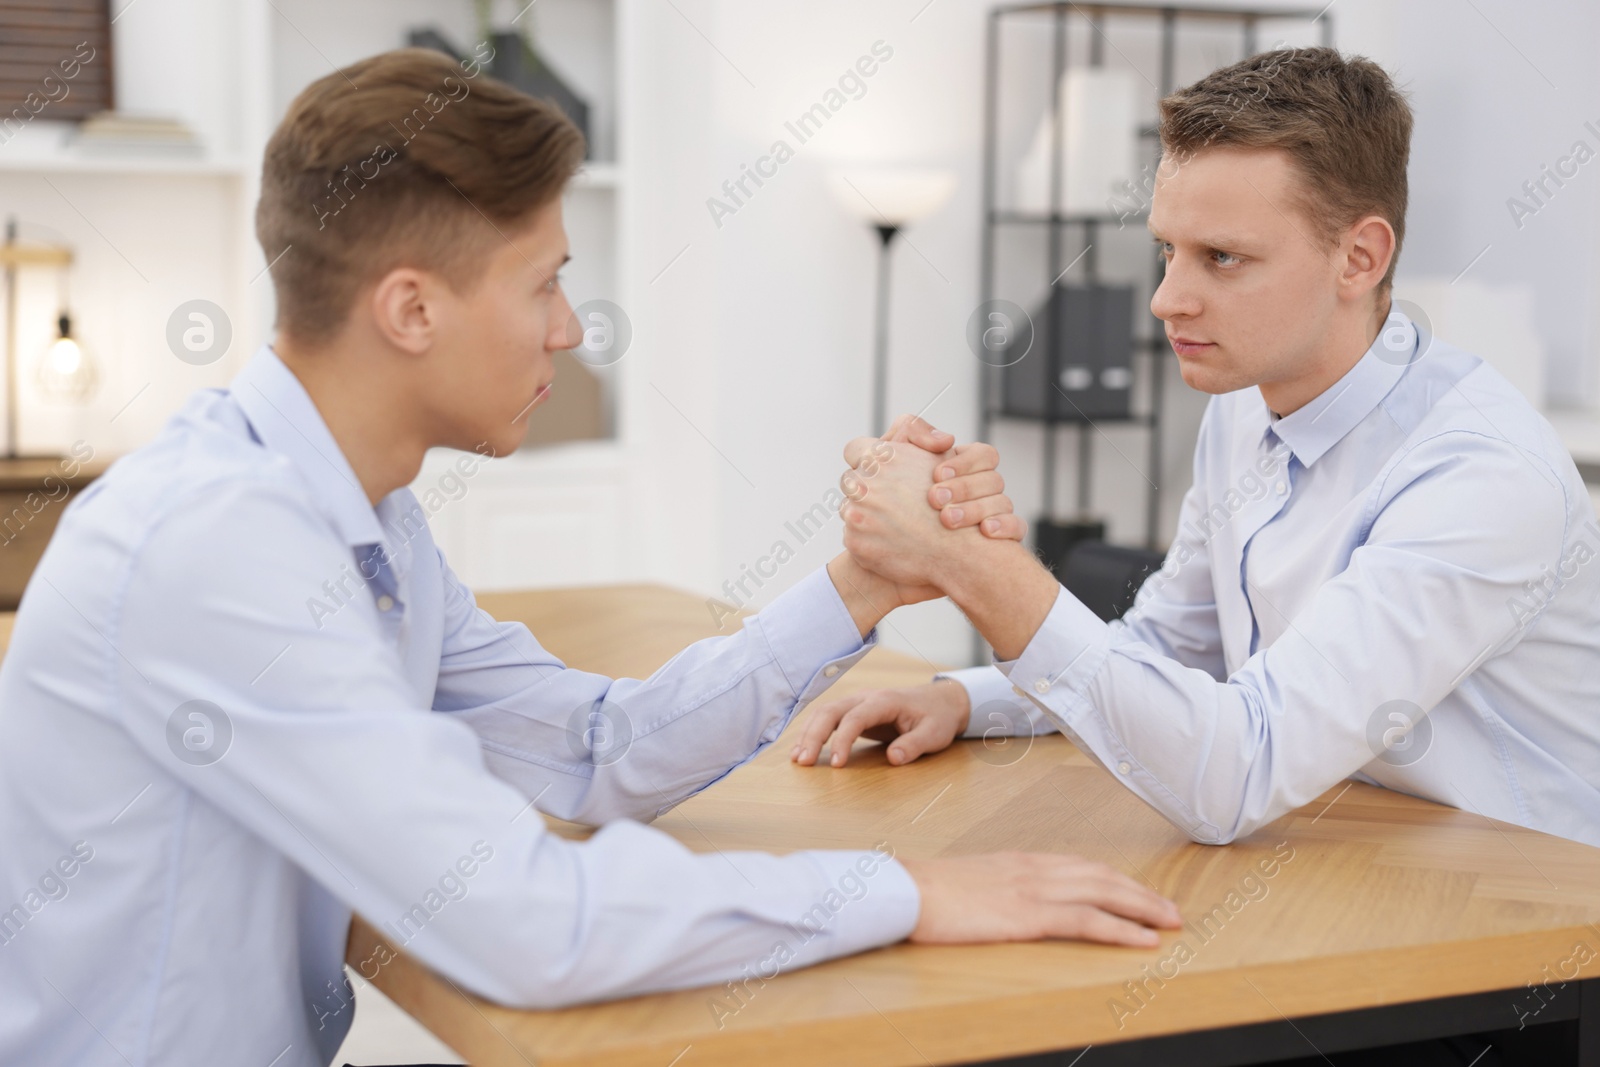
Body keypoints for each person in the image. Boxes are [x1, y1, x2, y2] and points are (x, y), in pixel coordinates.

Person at [0, 49, 1182, 1067]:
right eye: (546, 280)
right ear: (411, 310)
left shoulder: (363, 518)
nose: (570, 326)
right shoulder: (221, 547)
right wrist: (907, 891)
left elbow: (598, 748)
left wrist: (860, 585)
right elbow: (519, 917)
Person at [795, 47, 1600, 857]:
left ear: (1360, 257)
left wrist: (977, 570)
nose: (1166, 299)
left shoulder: (1480, 476)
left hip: (1523, 911)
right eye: (1166, 251)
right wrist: (969, 702)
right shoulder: (1246, 404)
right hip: (1345, 845)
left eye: (1222, 257)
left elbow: (1239, 774)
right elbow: (1173, 647)